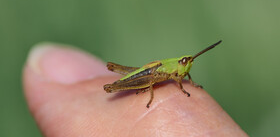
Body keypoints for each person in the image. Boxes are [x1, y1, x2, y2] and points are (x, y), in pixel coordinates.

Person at [23, 43, 248, 136]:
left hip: (154, 72)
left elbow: (182, 77)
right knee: (151, 77)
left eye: (187, 63)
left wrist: (192, 85)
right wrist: (152, 98)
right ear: (179, 62)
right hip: (147, 74)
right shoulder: (169, 70)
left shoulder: (180, 71)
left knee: (158, 77)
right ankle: (115, 85)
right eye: (185, 62)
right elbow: (159, 78)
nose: (187, 66)